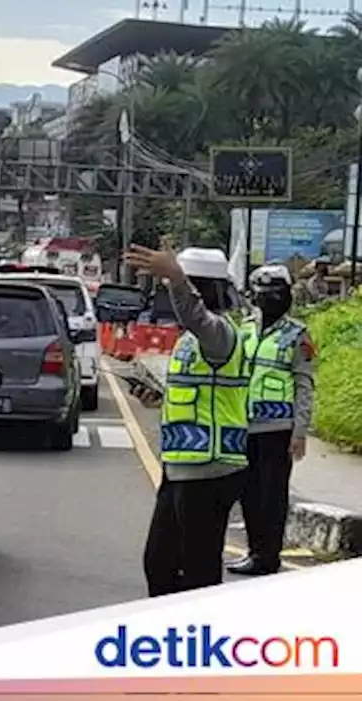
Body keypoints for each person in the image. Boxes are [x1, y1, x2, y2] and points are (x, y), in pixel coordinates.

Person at [123, 240, 251, 598]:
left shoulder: (219, 335)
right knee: (159, 563)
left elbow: (195, 315)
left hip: (210, 469)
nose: (168, 292)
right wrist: (158, 398)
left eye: (174, 284)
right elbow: (198, 395)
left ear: (201, 288)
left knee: (198, 571)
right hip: (181, 466)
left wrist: (176, 277)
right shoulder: (189, 342)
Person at [227, 264, 315, 576]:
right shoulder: (245, 329)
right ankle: (254, 552)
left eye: (276, 293)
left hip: (279, 430)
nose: (270, 299)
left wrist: (300, 431)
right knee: (248, 494)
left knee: (272, 496)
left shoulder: (297, 335)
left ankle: (269, 557)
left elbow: (304, 385)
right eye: (264, 294)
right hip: (243, 425)